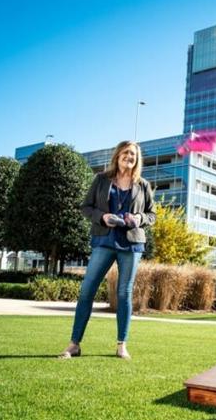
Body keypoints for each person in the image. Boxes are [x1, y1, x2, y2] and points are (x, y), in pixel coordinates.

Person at [59, 140, 156, 360]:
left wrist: (139, 218)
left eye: (133, 154)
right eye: (125, 153)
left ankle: (122, 345)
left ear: (136, 159)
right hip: (104, 240)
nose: (129, 157)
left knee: (124, 294)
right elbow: (86, 207)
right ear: (118, 155)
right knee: (87, 291)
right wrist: (102, 217)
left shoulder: (143, 185)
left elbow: (152, 214)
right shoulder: (101, 180)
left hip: (131, 244)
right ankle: (74, 344)